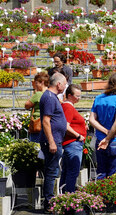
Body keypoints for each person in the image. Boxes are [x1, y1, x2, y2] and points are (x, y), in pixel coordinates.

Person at [90, 73, 116, 179]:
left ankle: (99, 195)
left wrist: (105, 132)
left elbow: (92, 120)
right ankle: (111, 196)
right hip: (115, 140)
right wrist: (108, 137)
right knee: (114, 175)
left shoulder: (99, 98)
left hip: (100, 139)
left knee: (101, 172)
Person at [40, 73, 68, 206]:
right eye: (64, 84)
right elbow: (46, 121)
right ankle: (49, 202)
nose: (65, 86)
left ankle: (49, 199)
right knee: (51, 171)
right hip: (52, 140)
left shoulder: (52, 97)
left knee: (52, 170)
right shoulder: (50, 98)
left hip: (56, 139)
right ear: (58, 84)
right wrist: (51, 141)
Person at [60, 84, 86, 193]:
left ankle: (64, 196)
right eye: (77, 96)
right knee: (72, 172)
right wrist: (78, 135)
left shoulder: (68, 106)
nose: (79, 98)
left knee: (67, 171)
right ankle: (69, 196)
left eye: (80, 96)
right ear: (69, 95)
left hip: (71, 143)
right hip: (73, 143)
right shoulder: (68, 107)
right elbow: (65, 126)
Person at [24, 72, 50, 143]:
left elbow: (27, 105)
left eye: (36, 84)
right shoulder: (50, 93)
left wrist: (34, 94)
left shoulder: (38, 94)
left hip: (37, 124)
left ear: (42, 82)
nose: (35, 86)